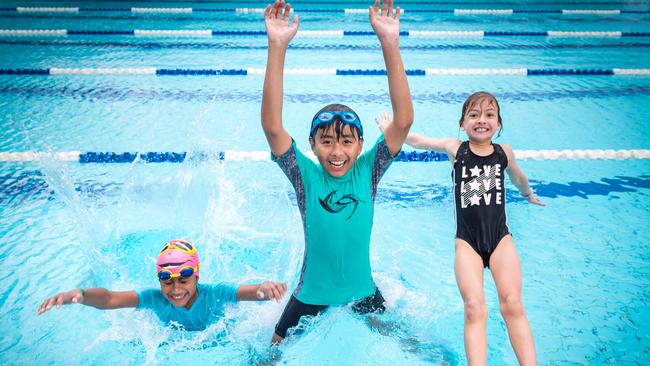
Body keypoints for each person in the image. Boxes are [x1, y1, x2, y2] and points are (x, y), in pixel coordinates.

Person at [261, 0, 413, 343]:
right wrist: (277, 46)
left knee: (412, 349)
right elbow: (272, 129)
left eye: (347, 141)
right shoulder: (305, 176)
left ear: (360, 145)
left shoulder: (369, 170)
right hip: (309, 294)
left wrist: (390, 43)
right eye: (326, 141)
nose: (337, 151)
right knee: (269, 355)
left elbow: (403, 121)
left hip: (363, 291)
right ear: (312, 145)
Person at [376, 91, 541, 365]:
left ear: (498, 124)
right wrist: (390, 129)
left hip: (501, 240)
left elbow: (519, 177)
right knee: (474, 308)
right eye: (473, 115)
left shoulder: (504, 153)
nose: (481, 120)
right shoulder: (456, 149)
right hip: (467, 244)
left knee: (512, 304)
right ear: (462, 123)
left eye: (489, 115)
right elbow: (417, 141)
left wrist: (527, 194)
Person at [38, 239, 287, 331]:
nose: (176, 290)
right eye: (167, 282)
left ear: (197, 277)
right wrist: (80, 294)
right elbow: (110, 299)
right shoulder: (153, 298)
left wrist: (265, 288)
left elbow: (253, 292)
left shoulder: (216, 293)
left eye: (184, 280)